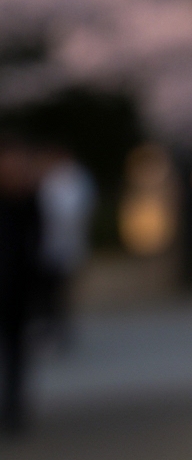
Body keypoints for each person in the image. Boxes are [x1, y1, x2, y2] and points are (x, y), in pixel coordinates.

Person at [0, 135, 42, 435]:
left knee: (16, 351)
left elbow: (35, 246)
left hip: (18, 289)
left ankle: (14, 408)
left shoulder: (29, 201)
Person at [35, 147, 95, 349]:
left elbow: (68, 214)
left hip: (61, 246)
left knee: (57, 294)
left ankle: (58, 332)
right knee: (52, 294)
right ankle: (53, 330)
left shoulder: (68, 178)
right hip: (56, 246)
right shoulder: (57, 178)